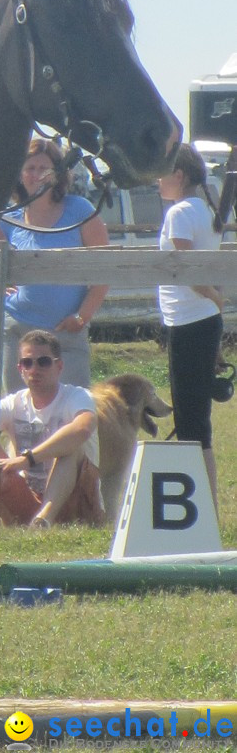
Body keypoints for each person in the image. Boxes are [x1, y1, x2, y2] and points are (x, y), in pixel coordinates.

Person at [0, 329, 104, 528]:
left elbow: (82, 429)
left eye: (43, 362)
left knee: (72, 449)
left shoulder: (78, 397)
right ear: (20, 369)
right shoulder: (13, 403)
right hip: (26, 501)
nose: (35, 369)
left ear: (59, 366)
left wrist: (26, 460)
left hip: (77, 505)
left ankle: (44, 521)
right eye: (28, 363)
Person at [0, 137, 109, 391]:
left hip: (65, 334)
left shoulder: (80, 210)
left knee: (73, 414)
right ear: (20, 173)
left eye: (43, 168)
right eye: (30, 168)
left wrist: (82, 316)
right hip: (18, 332)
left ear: (57, 173)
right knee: (20, 414)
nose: (36, 175)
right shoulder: (8, 218)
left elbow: (104, 269)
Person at [157, 142, 225, 510]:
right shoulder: (202, 209)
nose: (157, 181)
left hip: (190, 321)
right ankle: (206, 505)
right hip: (196, 321)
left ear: (179, 176)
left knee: (191, 421)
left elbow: (188, 270)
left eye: (163, 173)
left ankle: (201, 506)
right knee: (194, 418)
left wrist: (215, 297)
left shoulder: (180, 212)